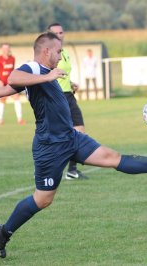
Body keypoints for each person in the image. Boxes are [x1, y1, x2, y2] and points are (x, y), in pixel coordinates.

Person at [0, 32, 147, 259]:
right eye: (57, 50)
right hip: (50, 147)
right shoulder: (35, 69)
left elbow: (10, 89)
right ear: (46, 51)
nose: (60, 54)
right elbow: (14, 79)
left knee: (111, 157)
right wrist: (47, 78)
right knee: (43, 199)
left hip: (71, 138)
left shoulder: (43, 74)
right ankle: (4, 231)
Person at [47, 22, 88, 180]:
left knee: (80, 132)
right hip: (57, 98)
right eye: (56, 33)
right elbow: (46, 75)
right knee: (60, 136)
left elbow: (62, 74)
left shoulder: (65, 52)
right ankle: (48, 169)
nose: (59, 35)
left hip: (69, 96)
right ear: (49, 35)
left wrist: (71, 83)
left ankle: (72, 170)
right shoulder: (48, 54)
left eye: (61, 32)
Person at [0, 43, 25, 125]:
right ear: (1, 49)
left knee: (16, 98)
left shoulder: (12, 58)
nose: (6, 50)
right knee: (2, 100)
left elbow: (13, 70)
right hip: (2, 83)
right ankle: (0, 120)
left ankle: (20, 119)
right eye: (4, 48)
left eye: (7, 48)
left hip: (11, 83)